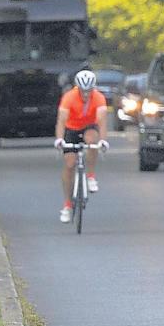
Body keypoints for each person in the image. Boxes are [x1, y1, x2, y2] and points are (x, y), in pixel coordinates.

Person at [54, 70, 109, 223]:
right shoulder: (69, 98)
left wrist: (103, 141)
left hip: (89, 126)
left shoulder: (98, 98)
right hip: (71, 128)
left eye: (89, 91)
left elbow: (102, 121)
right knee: (70, 163)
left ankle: (91, 176)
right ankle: (66, 205)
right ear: (77, 88)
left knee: (92, 140)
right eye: (83, 91)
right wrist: (59, 139)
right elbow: (61, 122)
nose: (86, 95)